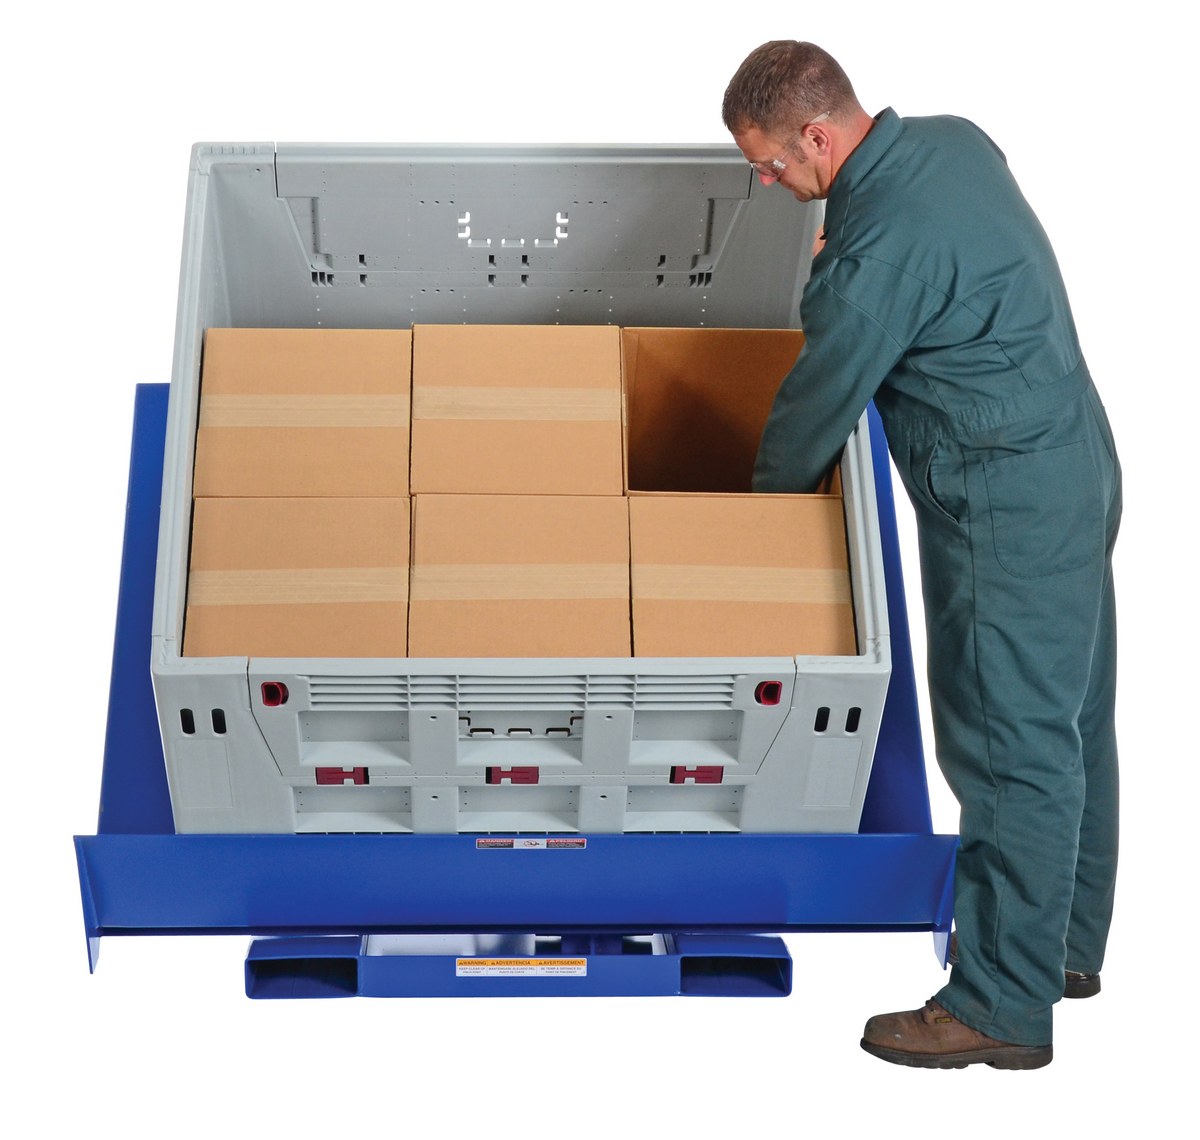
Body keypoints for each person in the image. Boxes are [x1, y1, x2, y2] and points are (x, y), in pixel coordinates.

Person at [723, 41, 1121, 1069]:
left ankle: (998, 1005)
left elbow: (814, 411)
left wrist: (742, 536)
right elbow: (931, 247)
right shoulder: (953, 144)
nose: (768, 184)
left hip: (1004, 509)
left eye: (770, 164)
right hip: (1075, 465)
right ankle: (1059, 952)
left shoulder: (869, 266)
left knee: (1007, 750)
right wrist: (851, 243)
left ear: (818, 135)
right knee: (1068, 723)